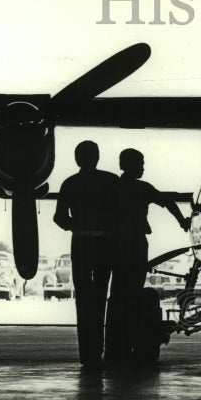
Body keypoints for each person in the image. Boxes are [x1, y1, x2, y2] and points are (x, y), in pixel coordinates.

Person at [104, 148, 190, 368]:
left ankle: (115, 347)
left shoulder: (113, 187)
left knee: (118, 294)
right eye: (140, 163)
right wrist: (182, 222)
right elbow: (168, 202)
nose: (143, 167)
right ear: (130, 165)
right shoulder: (143, 188)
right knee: (134, 290)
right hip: (136, 244)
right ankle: (135, 338)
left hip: (115, 245)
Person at [53, 141, 119, 371]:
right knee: (101, 294)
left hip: (81, 242)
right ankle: (98, 351)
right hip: (105, 242)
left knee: (83, 297)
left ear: (76, 158)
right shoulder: (111, 181)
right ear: (98, 156)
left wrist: (76, 226)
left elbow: (59, 217)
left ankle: (87, 354)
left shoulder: (70, 183)